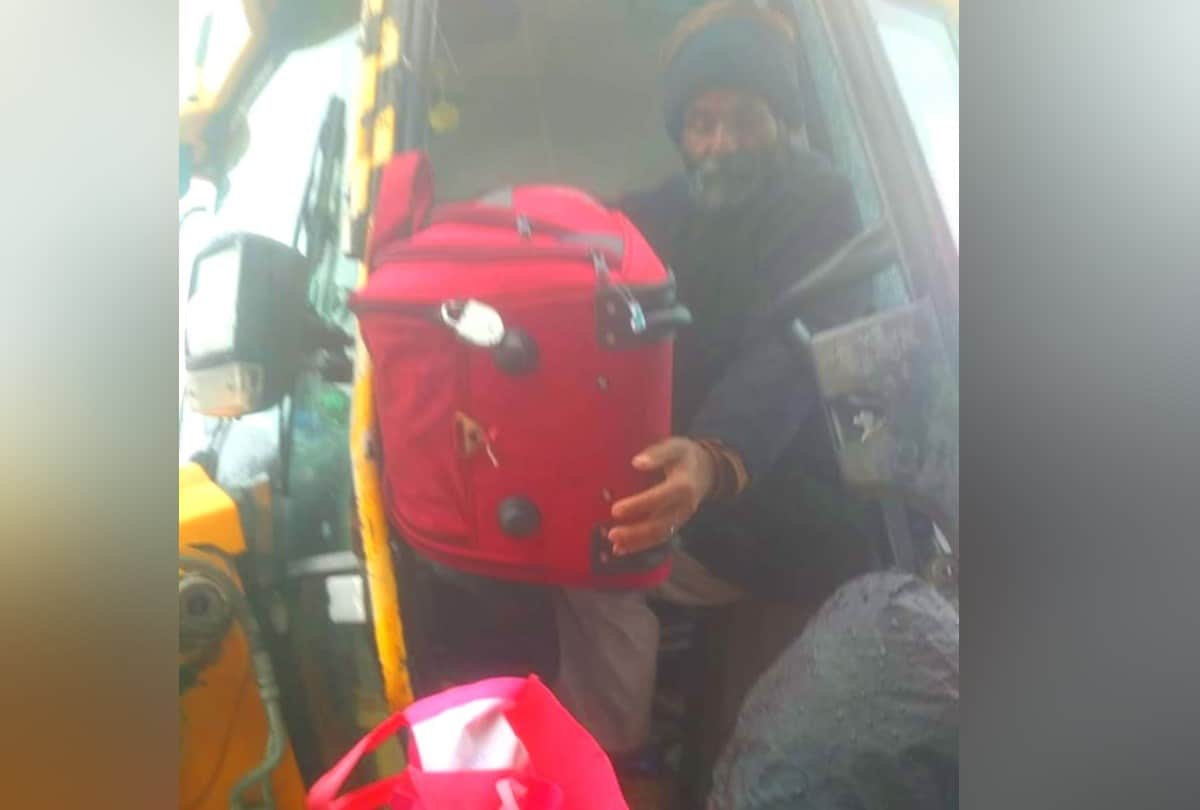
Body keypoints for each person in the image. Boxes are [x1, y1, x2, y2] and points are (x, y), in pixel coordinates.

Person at [552, 1, 884, 761]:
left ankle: (609, 761)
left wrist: (712, 454)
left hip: (790, 498)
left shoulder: (821, 205)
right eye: (702, 123)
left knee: (591, 553)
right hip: (698, 479)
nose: (721, 144)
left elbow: (790, 347)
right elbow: (591, 236)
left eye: (745, 120)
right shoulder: (673, 206)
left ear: (782, 120)